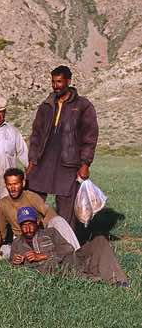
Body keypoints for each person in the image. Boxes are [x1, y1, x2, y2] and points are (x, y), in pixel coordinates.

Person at [27, 65, 99, 229]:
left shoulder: (83, 105)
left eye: (59, 81)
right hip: (44, 160)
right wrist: (32, 160)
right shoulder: (46, 105)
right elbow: (36, 134)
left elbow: (90, 137)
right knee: (33, 199)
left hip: (69, 162)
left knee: (66, 206)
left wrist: (85, 164)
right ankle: (32, 239)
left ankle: (67, 244)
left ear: (68, 81)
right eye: (53, 82)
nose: (55, 85)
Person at [11, 207, 128, 286]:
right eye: (24, 225)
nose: (28, 229)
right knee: (84, 274)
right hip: (57, 271)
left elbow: (68, 249)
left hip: (71, 260)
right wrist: (17, 261)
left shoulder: (50, 232)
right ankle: (97, 275)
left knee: (100, 240)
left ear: (37, 222)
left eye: (30, 224)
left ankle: (119, 281)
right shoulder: (17, 243)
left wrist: (43, 256)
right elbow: (14, 264)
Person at [0, 168, 80, 252]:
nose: (12, 188)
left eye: (16, 184)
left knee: (58, 220)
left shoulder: (31, 196)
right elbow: (1, 229)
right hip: (21, 239)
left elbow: (49, 212)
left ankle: (76, 252)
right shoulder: (3, 203)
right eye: (9, 184)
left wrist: (41, 227)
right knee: (4, 250)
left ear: (23, 183)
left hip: (38, 234)